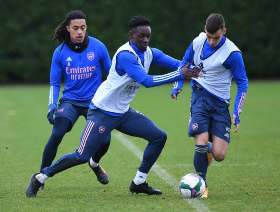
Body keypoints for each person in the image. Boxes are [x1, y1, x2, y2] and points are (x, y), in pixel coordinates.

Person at [26, 15, 200, 197]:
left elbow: (179, 65)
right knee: (81, 155)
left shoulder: (151, 53)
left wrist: (196, 68)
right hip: (102, 111)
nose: (145, 39)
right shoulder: (126, 56)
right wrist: (180, 75)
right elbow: (147, 81)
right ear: (131, 35)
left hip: (123, 113)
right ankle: (40, 177)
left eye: (148, 35)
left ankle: (139, 182)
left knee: (158, 137)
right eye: (141, 36)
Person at [171, 13, 248, 198]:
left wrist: (237, 110)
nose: (212, 41)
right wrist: (178, 83)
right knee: (201, 142)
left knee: (219, 155)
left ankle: (208, 151)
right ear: (205, 31)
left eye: (216, 37)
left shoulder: (233, 54)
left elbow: (242, 82)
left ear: (224, 32)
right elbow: (185, 62)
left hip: (221, 104)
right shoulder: (198, 41)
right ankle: (202, 185)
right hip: (199, 96)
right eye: (209, 37)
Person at [39, 10, 112, 189]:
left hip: (95, 103)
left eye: (83, 28)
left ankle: (94, 163)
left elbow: (112, 76)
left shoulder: (98, 47)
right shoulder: (60, 52)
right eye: (76, 28)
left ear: (86, 27)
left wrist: (113, 101)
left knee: (105, 141)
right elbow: (55, 82)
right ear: (68, 29)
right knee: (56, 134)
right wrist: (51, 105)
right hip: (70, 101)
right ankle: (40, 176)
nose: (80, 32)